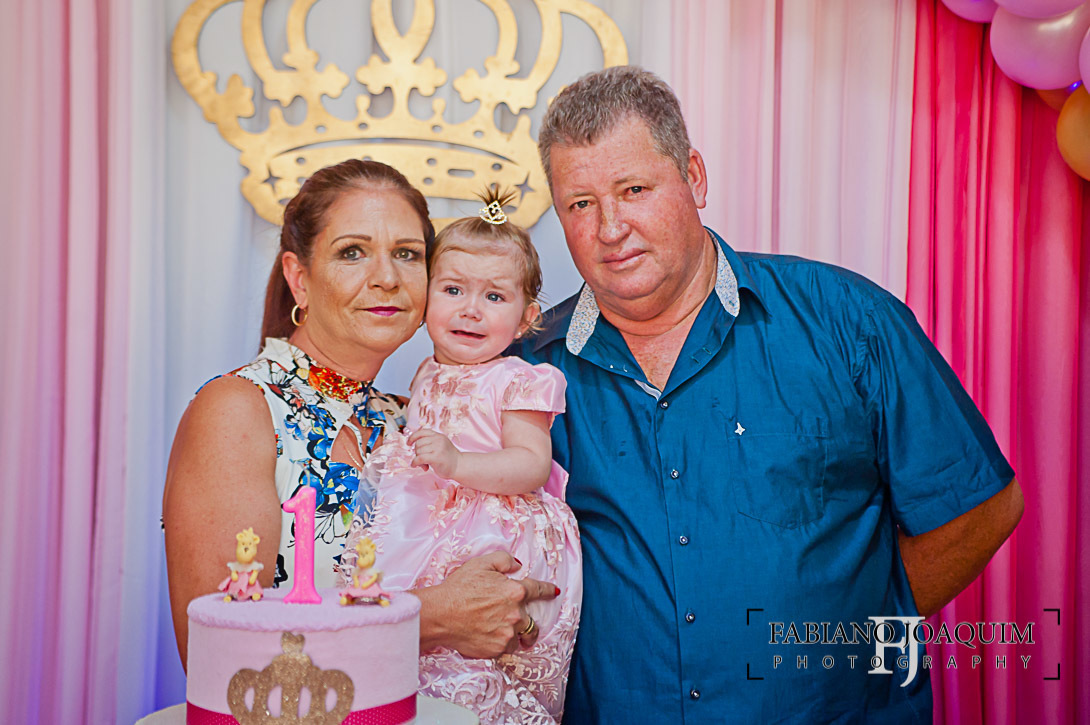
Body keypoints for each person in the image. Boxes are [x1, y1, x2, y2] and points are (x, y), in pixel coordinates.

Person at [512, 66, 1024, 723]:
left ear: (694, 177)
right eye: (580, 204)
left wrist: (855, 632)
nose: (610, 227)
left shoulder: (845, 321)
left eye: (634, 189)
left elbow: (980, 505)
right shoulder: (527, 371)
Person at [162, 159, 557, 667]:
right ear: (299, 278)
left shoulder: (410, 420)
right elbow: (217, 653)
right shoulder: (239, 409)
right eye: (353, 252)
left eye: (407, 254)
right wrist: (432, 617)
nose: (387, 278)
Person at [339, 190, 581, 723]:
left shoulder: (518, 379)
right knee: (406, 652)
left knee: (478, 662)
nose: (471, 309)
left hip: (490, 523)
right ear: (426, 297)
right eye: (453, 290)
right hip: (420, 517)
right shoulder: (423, 373)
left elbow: (531, 465)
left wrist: (457, 464)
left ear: (526, 318)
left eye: (494, 296)